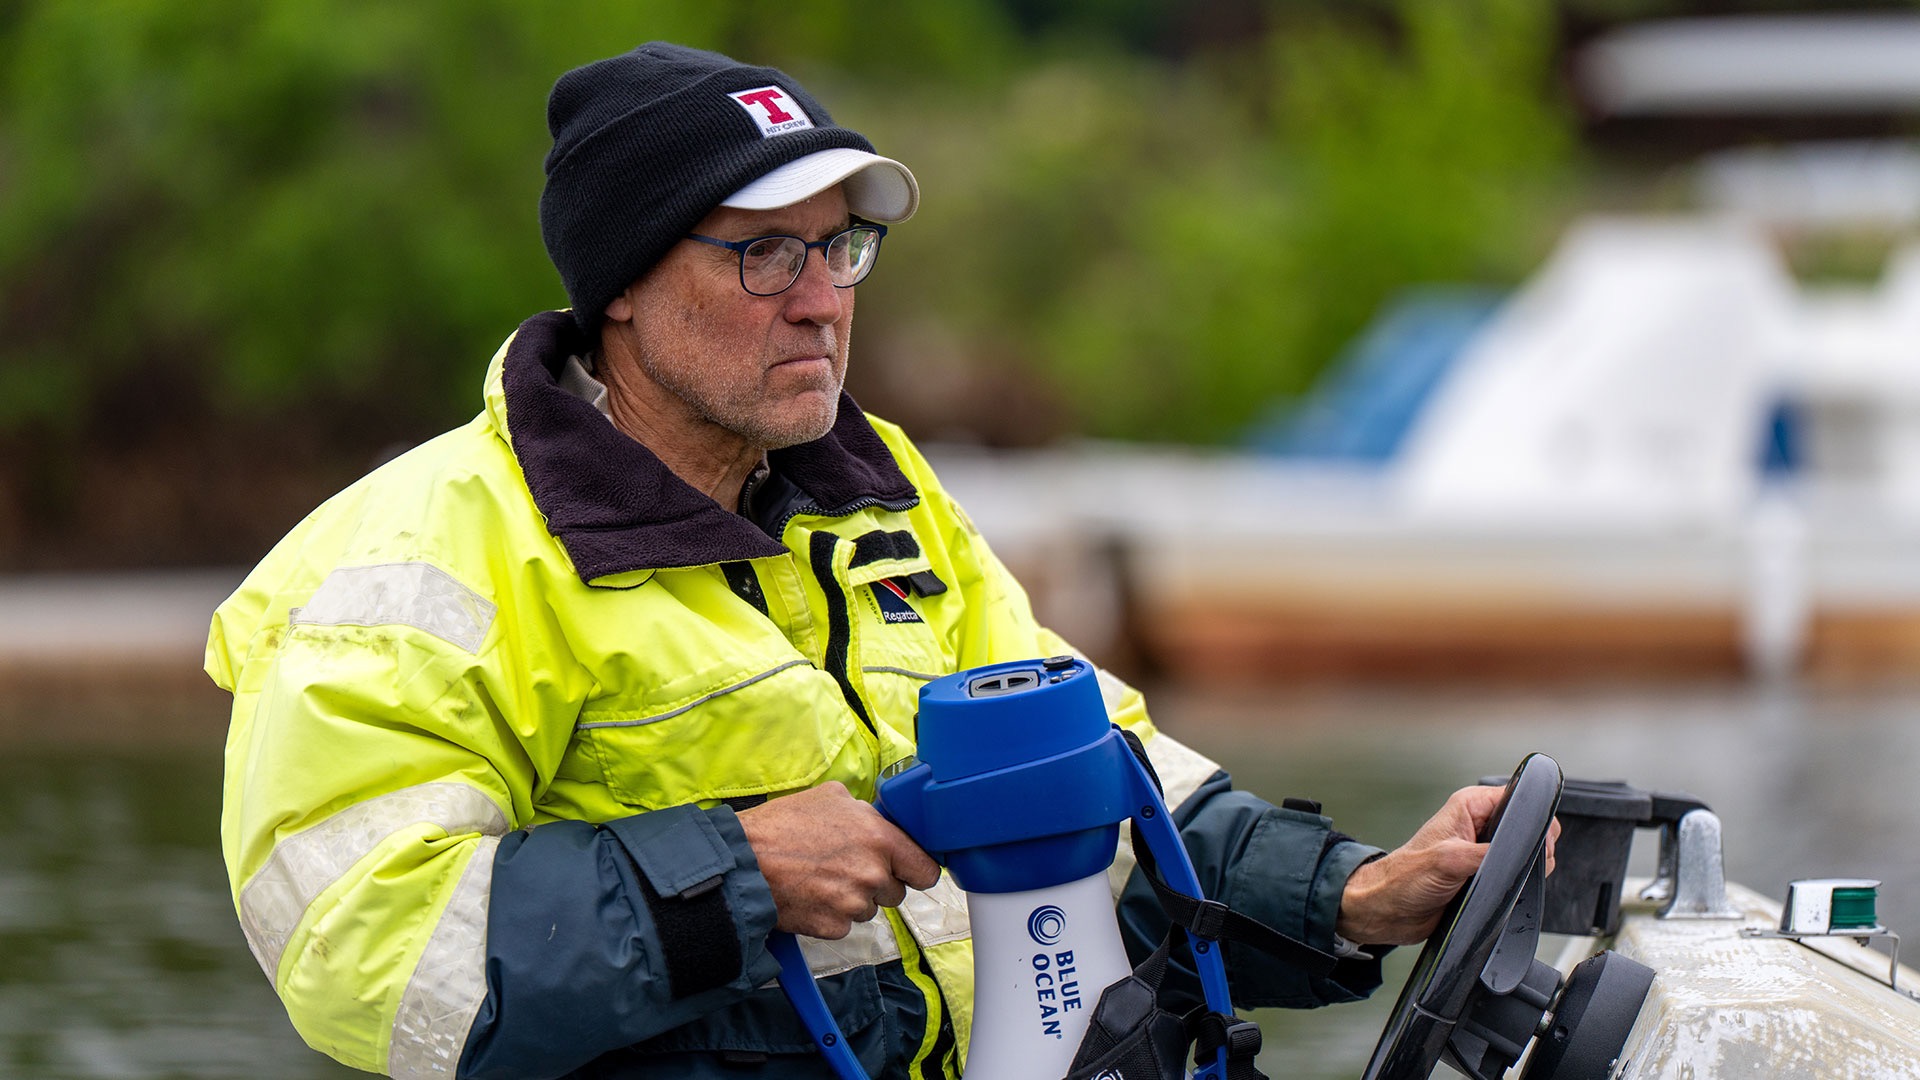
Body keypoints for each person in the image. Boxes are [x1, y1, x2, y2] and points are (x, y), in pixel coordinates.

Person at [207, 42, 1539, 1080]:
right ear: (618, 284)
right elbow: (361, 958)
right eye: (763, 252)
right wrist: (736, 871)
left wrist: (1359, 895)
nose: (821, 297)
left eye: (842, 246)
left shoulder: (885, 493)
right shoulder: (411, 561)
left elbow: (1101, 778)